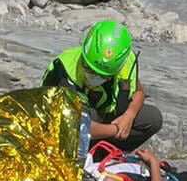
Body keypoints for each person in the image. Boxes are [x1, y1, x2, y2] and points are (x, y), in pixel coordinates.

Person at [41, 20, 162, 149]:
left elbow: (138, 92)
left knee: (153, 119)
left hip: (105, 116)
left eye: (103, 75)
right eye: (88, 69)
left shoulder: (125, 65)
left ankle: (102, 153)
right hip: (67, 126)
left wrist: (129, 115)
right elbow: (77, 125)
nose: (94, 77)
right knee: (90, 116)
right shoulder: (65, 70)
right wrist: (116, 129)